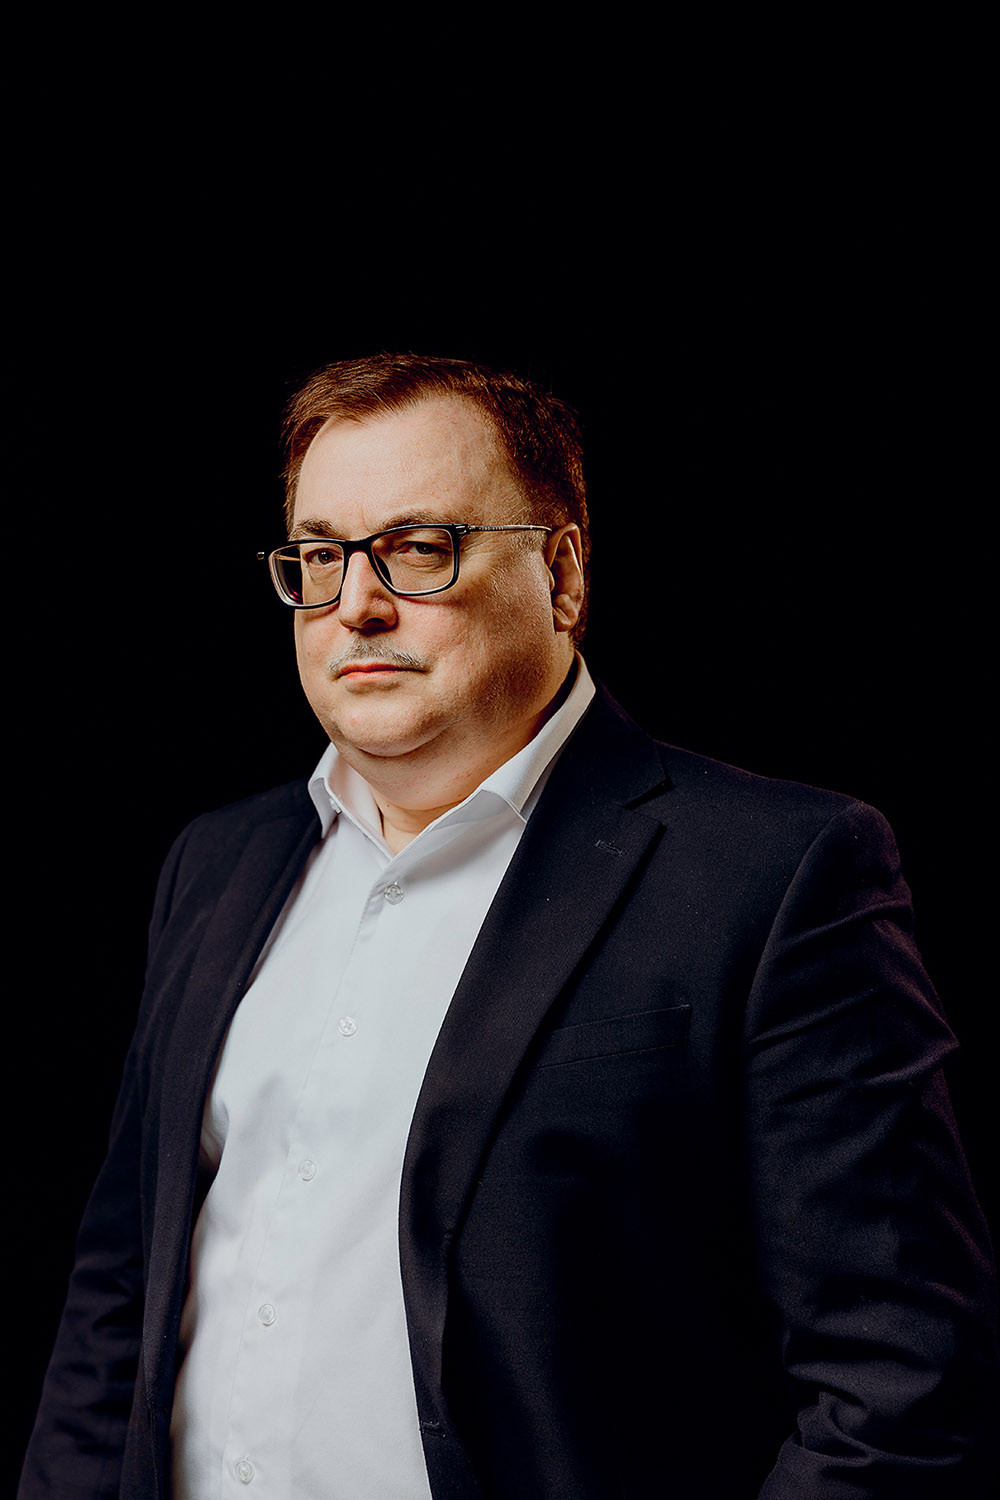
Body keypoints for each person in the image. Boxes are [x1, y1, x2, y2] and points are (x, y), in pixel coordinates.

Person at [20, 353, 999, 1499]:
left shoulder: (775, 875)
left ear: (561, 575)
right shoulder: (216, 865)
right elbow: (119, 1295)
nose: (356, 603)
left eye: (417, 548)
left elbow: (898, 1380)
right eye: (321, 556)